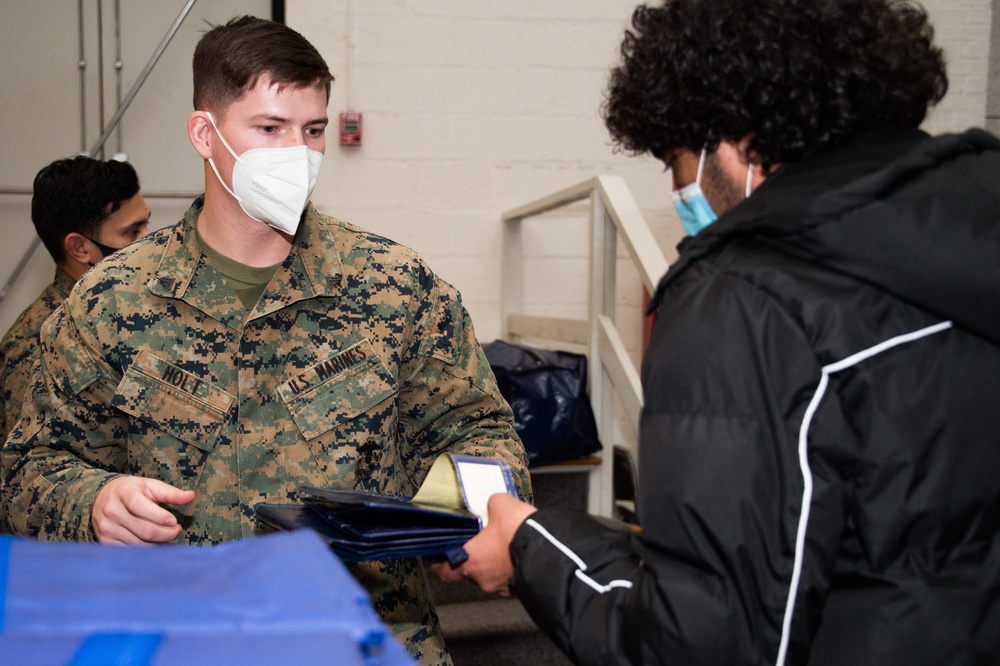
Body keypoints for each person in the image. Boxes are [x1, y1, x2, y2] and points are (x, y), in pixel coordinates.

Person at [432, 0, 1000, 664]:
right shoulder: (970, 230)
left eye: (677, 164)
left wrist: (527, 551)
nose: (682, 192)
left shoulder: (744, 298)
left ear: (731, 139)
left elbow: (698, 645)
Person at [1, 16, 529, 666]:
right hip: (180, 644)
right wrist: (96, 503)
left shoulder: (393, 283)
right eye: (270, 129)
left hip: (366, 643)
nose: (296, 156)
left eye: (312, 132)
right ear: (205, 133)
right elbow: (30, 470)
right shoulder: (114, 300)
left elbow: (477, 433)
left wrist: (464, 516)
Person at [0, 156, 150, 533]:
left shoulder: (128, 315)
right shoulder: (40, 344)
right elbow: (27, 483)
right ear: (80, 248)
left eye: (147, 223)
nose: (149, 243)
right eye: (132, 233)